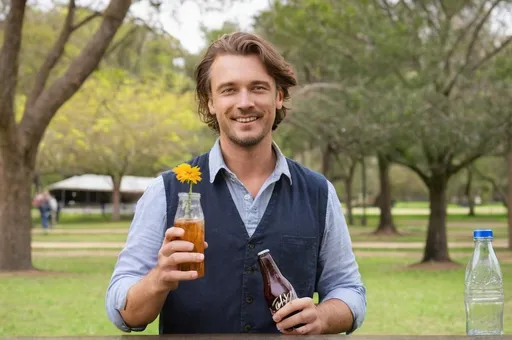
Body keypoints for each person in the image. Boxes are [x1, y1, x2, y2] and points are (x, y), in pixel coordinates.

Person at [106, 32, 366, 335]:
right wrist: (158, 279)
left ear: (278, 96)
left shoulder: (318, 193)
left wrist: (322, 316)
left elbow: (349, 290)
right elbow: (123, 313)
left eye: (258, 88)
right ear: (211, 101)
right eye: (229, 90)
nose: (245, 103)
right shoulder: (166, 190)